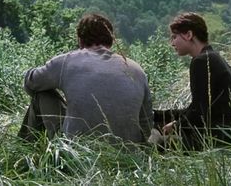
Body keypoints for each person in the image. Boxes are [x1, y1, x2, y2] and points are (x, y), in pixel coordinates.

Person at [18, 13, 153, 144]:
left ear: (80, 40)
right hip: (127, 155)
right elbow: (146, 124)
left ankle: (26, 156)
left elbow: (31, 83)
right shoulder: (137, 70)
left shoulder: (67, 61)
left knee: (41, 93)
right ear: (111, 40)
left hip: (76, 152)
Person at [154, 12, 231, 151]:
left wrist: (175, 126)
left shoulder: (201, 62)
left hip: (211, 140)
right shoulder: (212, 57)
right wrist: (160, 115)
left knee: (154, 145)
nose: (172, 43)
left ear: (188, 35)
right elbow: (198, 107)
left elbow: (199, 112)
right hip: (224, 136)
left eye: (175, 37)